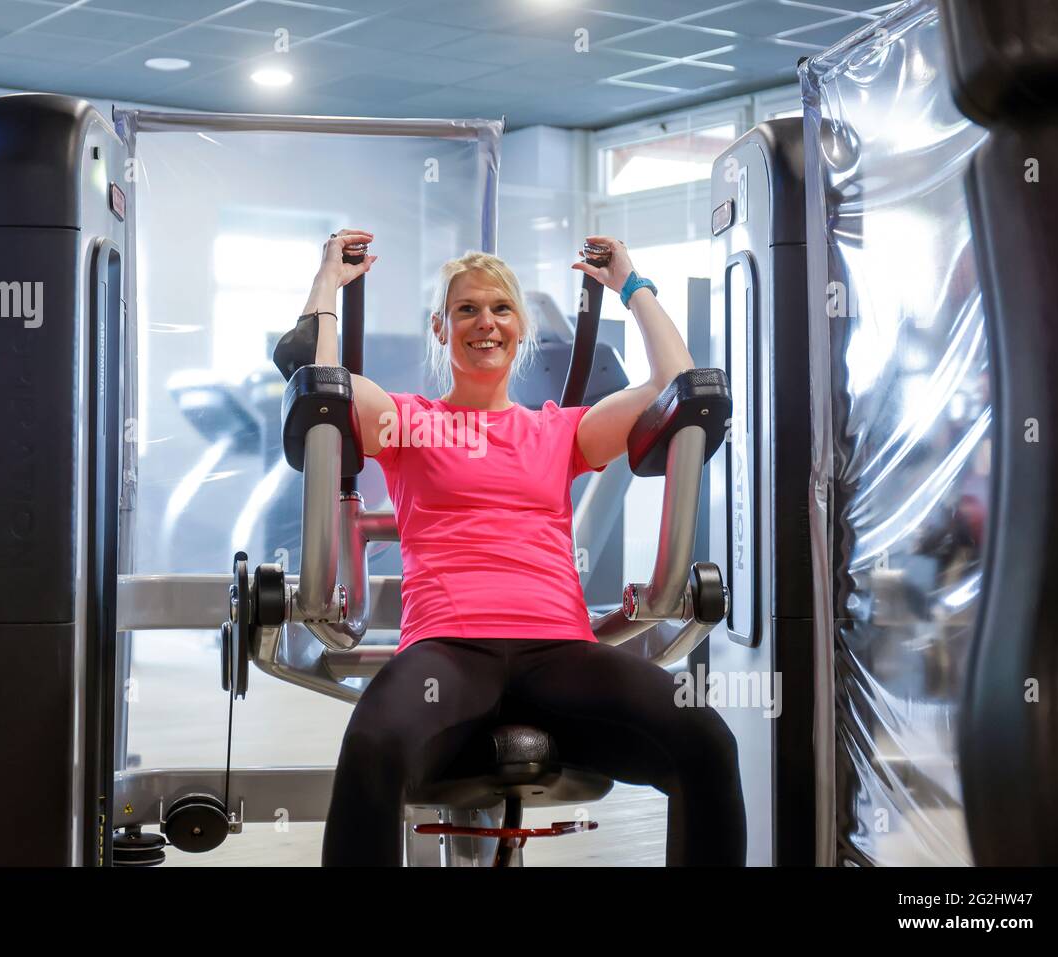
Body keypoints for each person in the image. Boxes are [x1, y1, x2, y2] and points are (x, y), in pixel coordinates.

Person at [302, 228, 745, 866]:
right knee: (374, 745)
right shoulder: (409, 421)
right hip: (449, 654)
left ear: (521, 328)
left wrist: (632, 283)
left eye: (501, 308)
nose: (486, 322)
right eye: (467, 309)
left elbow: (677, 387)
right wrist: (327, 287)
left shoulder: (560, 430)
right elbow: (325, 388)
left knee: (704, 738)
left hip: (560, 653)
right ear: (440, 328)